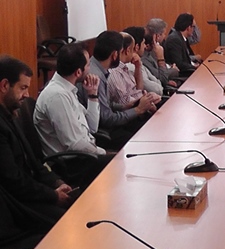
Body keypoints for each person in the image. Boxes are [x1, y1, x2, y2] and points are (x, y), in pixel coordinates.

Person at [0, 56, 72, 222]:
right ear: (4, 85)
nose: (27, 95)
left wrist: (56, 182)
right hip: (15, 205)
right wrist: (52, 196)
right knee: (69, 221)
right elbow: (13, 181)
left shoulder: (11, 113)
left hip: (31, 191)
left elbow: (33, 161)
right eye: (23, 88)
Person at [79, 31, 157, 148]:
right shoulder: (95, 76)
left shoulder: (98, 68)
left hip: (106, 124)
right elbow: (106, 119)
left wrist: (127, 106)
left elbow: (104, 105)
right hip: (102, 133)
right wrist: (138, 109)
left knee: (146, 122)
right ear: (115, 55)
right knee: (145, 135)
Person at [34, 44, 106, 157]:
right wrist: (104, 153)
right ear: (78, 72)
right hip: (72, 162)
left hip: (85, 154)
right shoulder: (57, 96)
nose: (90, 69)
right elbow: (75, 144)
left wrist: (92, 94)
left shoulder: (67, 89)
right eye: (88, 65)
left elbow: (92, 127)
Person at [108, 32, 162, 109]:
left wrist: (138, 67)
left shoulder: (125, 67)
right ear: (127, 50)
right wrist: (147, 101)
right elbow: (125, 103)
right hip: (137, 112)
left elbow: (139, 90)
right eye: (133, 49)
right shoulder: (115, 72)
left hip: (142, 106)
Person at [122, 27, 163, 96]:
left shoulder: (138, 62)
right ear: (137, 47)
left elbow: (157, 81)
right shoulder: (132, 66)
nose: (145, 46)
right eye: (143, 43)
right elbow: (157, 90)